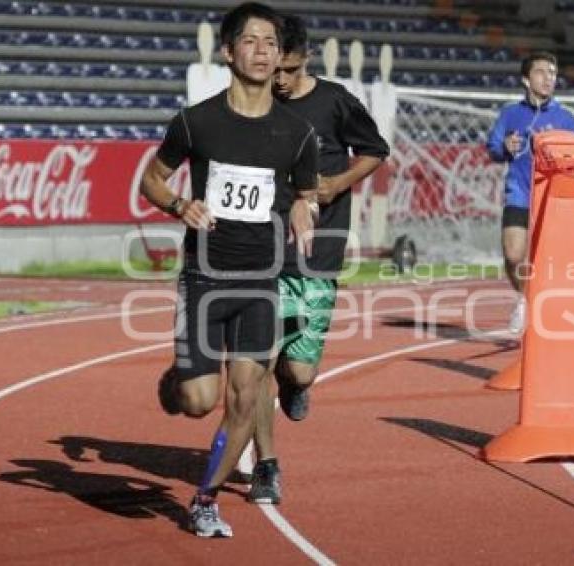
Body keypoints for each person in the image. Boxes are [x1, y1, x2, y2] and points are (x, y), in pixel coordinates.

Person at [139, 2, 318, 537]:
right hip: (204, 279)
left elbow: (306, 193)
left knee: (246, 396)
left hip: (261, 282)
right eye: (251, 41)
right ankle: (178, 381)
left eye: (271, 43)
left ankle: (205, 498)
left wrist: (306, 208)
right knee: (198, 402)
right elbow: (152, 180)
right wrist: (179, 206)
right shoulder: (197, 122)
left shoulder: (297, 132)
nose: (263, 52)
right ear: (228, 51)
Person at [242, 13, 389, 505]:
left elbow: (374, 150)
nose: (277, 80)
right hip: (265, 250)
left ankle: (295, 383)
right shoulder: (255, 100)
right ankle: (266, 464)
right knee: (255, 362)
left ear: (303, 59)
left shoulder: (335, 102)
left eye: (286, 70)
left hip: (320, 250)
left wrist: (336, 184)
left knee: (297, 371)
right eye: (272, 70)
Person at [486, 51, 574, 333]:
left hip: (554, 200)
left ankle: (551, 311)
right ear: (526, 79)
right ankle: (524, 300)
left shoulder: (566, 117)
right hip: (519, 192)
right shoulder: (510, 113)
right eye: (542, 72)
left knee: (550, 265)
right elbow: (493, 149)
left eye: (553, 73)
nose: (549, 78)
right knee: (513, 255)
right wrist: (505, 146)